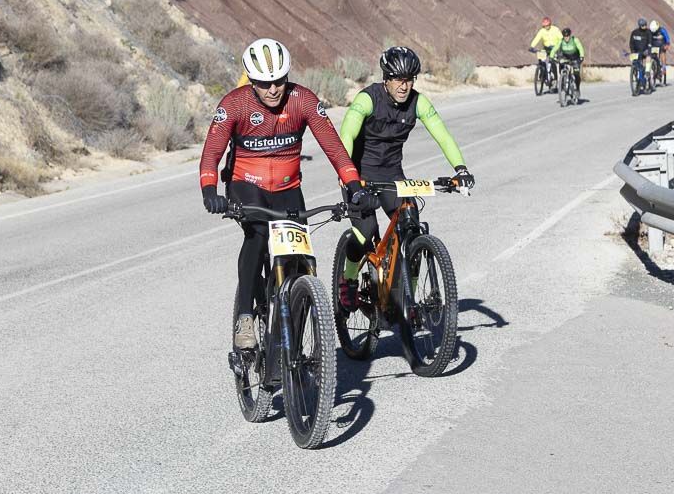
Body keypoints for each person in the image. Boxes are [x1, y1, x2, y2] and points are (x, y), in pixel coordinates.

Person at [200, 38, 376, 350]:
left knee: (303, 258)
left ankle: (296, 327)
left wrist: (354, 186)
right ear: (252, 81)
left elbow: (334, 148)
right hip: (246, 185)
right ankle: (245, 318)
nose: (272, 90)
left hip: (287, 188)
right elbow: (212, 152)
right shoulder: (235, 104)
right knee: (255, 236)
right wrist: (210, 191)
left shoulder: (303, 100)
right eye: (264, 83)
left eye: (279, 81)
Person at [335, 46, 472, 310]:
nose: (404, 86)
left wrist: (460, 169)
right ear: (386, 79)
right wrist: (346, 172)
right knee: (365, 233)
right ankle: (349, 278)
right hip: (359, 175)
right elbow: (347, 135)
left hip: (392, 175)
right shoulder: (368, 99)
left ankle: (407, 298)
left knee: (411, 226)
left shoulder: (418, 102)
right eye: (398, 79)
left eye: (409, 79)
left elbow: (442, 135)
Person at [549, 27, 585, 97]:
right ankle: (563, 81)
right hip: (565, 57)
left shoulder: (575, 40)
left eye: (568, 36)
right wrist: (551, 57)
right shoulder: (561, 41)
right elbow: (554, 49)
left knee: (576, 74)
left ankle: (577, 88)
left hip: (575, 57)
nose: (566, 38)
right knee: (561, 65)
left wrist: (581, 57)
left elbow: (580, 48)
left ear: (570, 35)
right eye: (565, 36)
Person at [528, 16, 563, 87]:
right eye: (544, 26)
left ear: (550, 24)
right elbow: (537, 38)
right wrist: (532, 46)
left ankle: (556, 78)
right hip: (546, 48)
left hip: (555, 48)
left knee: (553, 61)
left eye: (547, 25)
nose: (546, 27)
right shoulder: (542, 31)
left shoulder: (555, 29)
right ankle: (542, 74)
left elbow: (561, 38)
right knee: (541, 59)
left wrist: (561, 47)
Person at [628, 18, 652, 86]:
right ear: (640, 26)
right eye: (643, 25)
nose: (644, 26)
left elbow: (650, 42)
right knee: (635, 63)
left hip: (645, 50)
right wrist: (632, 51)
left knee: (648, 56)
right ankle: (636, 74)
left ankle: (647, 71)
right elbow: (631, 43)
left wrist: (649, 50)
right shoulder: (634, 32)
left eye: (645, 25)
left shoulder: (648, 32)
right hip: (637, 51)